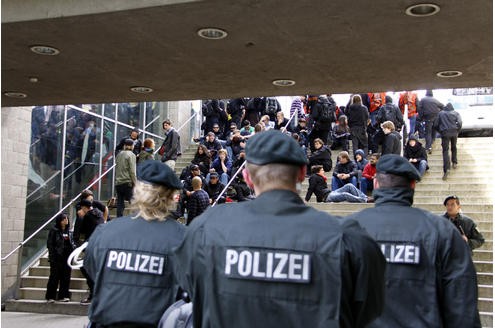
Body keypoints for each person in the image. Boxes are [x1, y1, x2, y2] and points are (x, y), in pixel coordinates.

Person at [172, 130, 386, 328]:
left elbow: (189, 288)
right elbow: (367, 309)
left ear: (247, 176)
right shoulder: (348, 238)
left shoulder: (205, 228)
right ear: (302, 173)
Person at [346, 154, 481, 327]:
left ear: (376, 183)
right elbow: (462, 308)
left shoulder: (348, 229)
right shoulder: (443, 232)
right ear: (412, 185)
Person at [84, 160, 185, 327]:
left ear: (137, 191)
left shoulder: (106, 232)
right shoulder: (183, 238)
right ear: (171, 198)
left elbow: (92, 269)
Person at [73, 199, 105, 305]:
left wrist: (80, 217)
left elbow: (81, 231)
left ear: (84, 208)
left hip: (91, 246)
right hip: (100, 245)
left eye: (81, 208)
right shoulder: (99, 213)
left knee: (85, 268)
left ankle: (93, 294)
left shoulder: (87, 216)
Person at [45, 213, 75, 303]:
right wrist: (52, 256)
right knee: (54, 277)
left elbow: (71, 243)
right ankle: (50, 296)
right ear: (59, 221)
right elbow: (50, 244)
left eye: (67, 219)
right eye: (64, 219)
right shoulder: (54, 231)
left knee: (65, 277)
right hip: (57, 258)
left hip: (67, 257)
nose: (66, 220)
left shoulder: (69, 232)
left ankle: (63, 295)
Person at [434, 102, 462, 180]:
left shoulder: (441, 113)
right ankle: (455, 162)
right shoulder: (456, 113)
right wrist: (457, 130)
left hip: (445, 133)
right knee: (454, 147)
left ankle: (447, 169)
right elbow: (460, 123)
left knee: (445, 150)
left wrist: (440, 131)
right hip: (454, 132)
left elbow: (435, 124)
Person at [115, 139, 136, 217]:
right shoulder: (131, 155)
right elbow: (132, 171)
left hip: (118, 183)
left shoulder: (119, 154)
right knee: (134, 201)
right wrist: (135, 182)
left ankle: (119, 220)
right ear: (131, 146)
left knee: (120, 203)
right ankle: (136, 220)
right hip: (127, 182)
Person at [418, 89, 444, 154]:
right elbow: (443, 106)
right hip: (435, 117)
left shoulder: (423, 100)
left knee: (428, 132)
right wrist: (439, 113)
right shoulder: (435, 100)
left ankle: (428, 147)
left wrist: (421, 116)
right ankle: (432, 141)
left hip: (427, 118)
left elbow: (419, 108)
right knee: (434, 130)